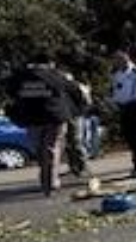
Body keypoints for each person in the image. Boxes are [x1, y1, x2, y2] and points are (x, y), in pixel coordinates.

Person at [5, 53, 87, 196]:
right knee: (51, 149)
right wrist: (76, 110)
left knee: (39, 149)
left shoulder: (20, 78)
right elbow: (75, 90)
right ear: (49, 63)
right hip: (54, 118)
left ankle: (46, 179)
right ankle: (50, 181)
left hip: (32, 120)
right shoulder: (55, 75)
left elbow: (11, 93)